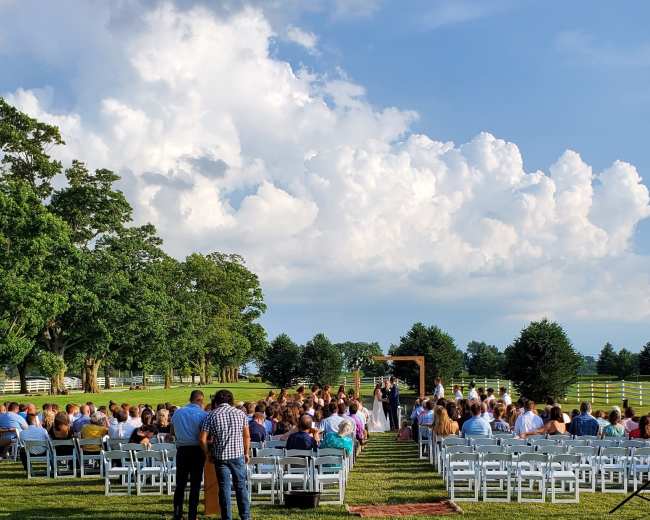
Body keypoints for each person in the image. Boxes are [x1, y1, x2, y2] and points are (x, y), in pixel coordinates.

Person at [200, 390, 250, 520]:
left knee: (224, 488)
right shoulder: (241, 414)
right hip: (237, 454)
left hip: (220, 456)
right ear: (231, 401)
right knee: (240, 486)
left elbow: (202, 439)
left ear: (216, 401)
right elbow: (246, 436)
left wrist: (207, 453)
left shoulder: (211, 415)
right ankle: (245, 516)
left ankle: (226, 517)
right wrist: (246, 452)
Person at [171, 390, 208, 520]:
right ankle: (192, 514)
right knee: (195, 484)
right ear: (200, 400)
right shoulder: (203, 414)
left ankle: (177, 513)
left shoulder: (178, 412)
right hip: (197, 450)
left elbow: (172, 431)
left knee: (180, 483)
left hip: (182, 449)